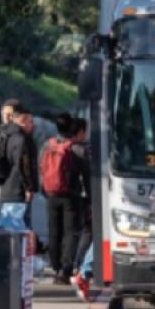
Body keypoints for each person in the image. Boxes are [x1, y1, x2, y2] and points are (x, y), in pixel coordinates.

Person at [42, 113, 89, 284]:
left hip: (51, 194)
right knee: (71, 232)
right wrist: (90, 199)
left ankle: (55, 267)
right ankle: (66, 269)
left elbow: (43, 169)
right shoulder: (77, 148)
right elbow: (87, 175)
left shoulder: (49, 145)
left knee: (54, 232)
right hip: (71, 195)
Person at [0, 105, 38, 229]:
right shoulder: (21, 139)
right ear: (22, 121)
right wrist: (29, 187)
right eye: (30, 121)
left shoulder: (3, 137)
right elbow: (23, 165)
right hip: (18, 190)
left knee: (11, 226)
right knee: (17, 230)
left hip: (7, 190)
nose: (33, 125)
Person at [70, 117, 92, 273]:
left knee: (72, 231)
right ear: (81, 132)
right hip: (84, 197)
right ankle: (80, 264)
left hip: (67, 195)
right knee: (89, 230)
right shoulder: (84, 150)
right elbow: (88, 176)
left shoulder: (61, 146)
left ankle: (68, 265)